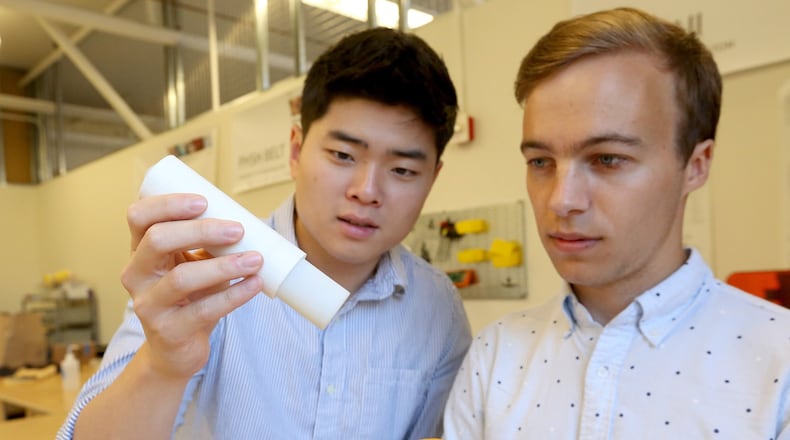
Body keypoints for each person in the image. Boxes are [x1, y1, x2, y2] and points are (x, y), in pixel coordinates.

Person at [58, 27, 471, 439]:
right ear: (295, 150)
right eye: (343, 155)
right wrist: (162, 365)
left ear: (431, 178)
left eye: (402, 170)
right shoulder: (200, 269)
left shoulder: (438, 305)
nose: (365, 191)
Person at [443, 7, 790, 439]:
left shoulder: (779, 366)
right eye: (541, 162)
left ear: (696, 165)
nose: (562, 200)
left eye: (608, 159)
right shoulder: (495, 355)